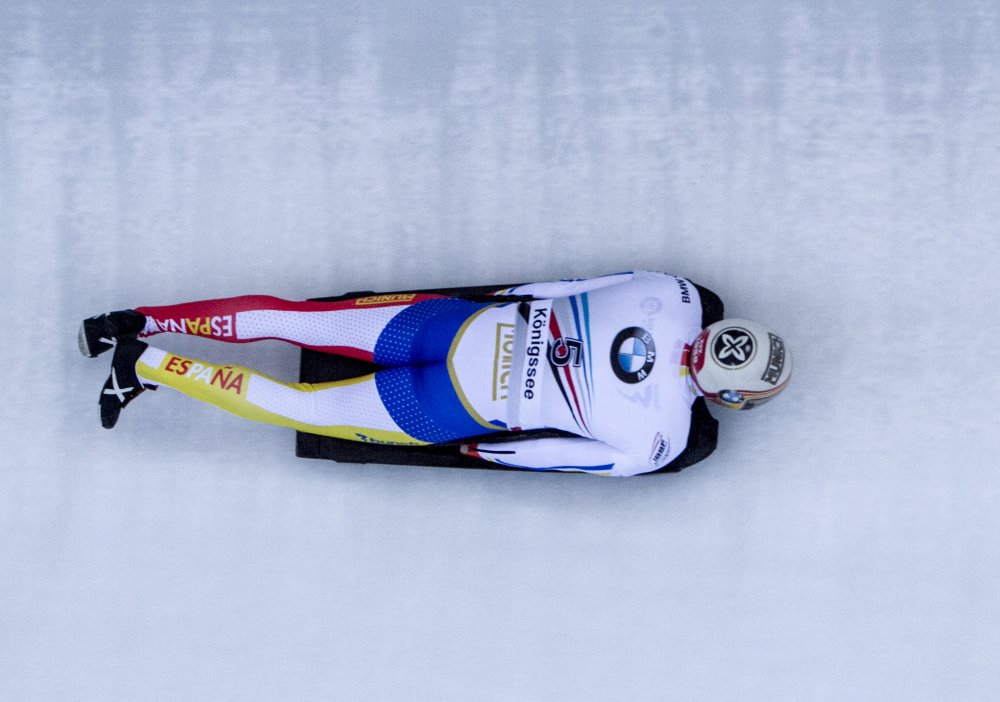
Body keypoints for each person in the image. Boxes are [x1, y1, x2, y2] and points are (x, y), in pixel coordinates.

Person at [79, 271, 792, 476]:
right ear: (732, 395)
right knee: (304, 410)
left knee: (296, 319)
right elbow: (544, 456)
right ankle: (148, 366)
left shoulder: (674, 295)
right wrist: (480, 450)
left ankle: (133, 321)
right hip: (441, 407)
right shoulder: (659, 442)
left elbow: (565, 285)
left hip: (452, 322)